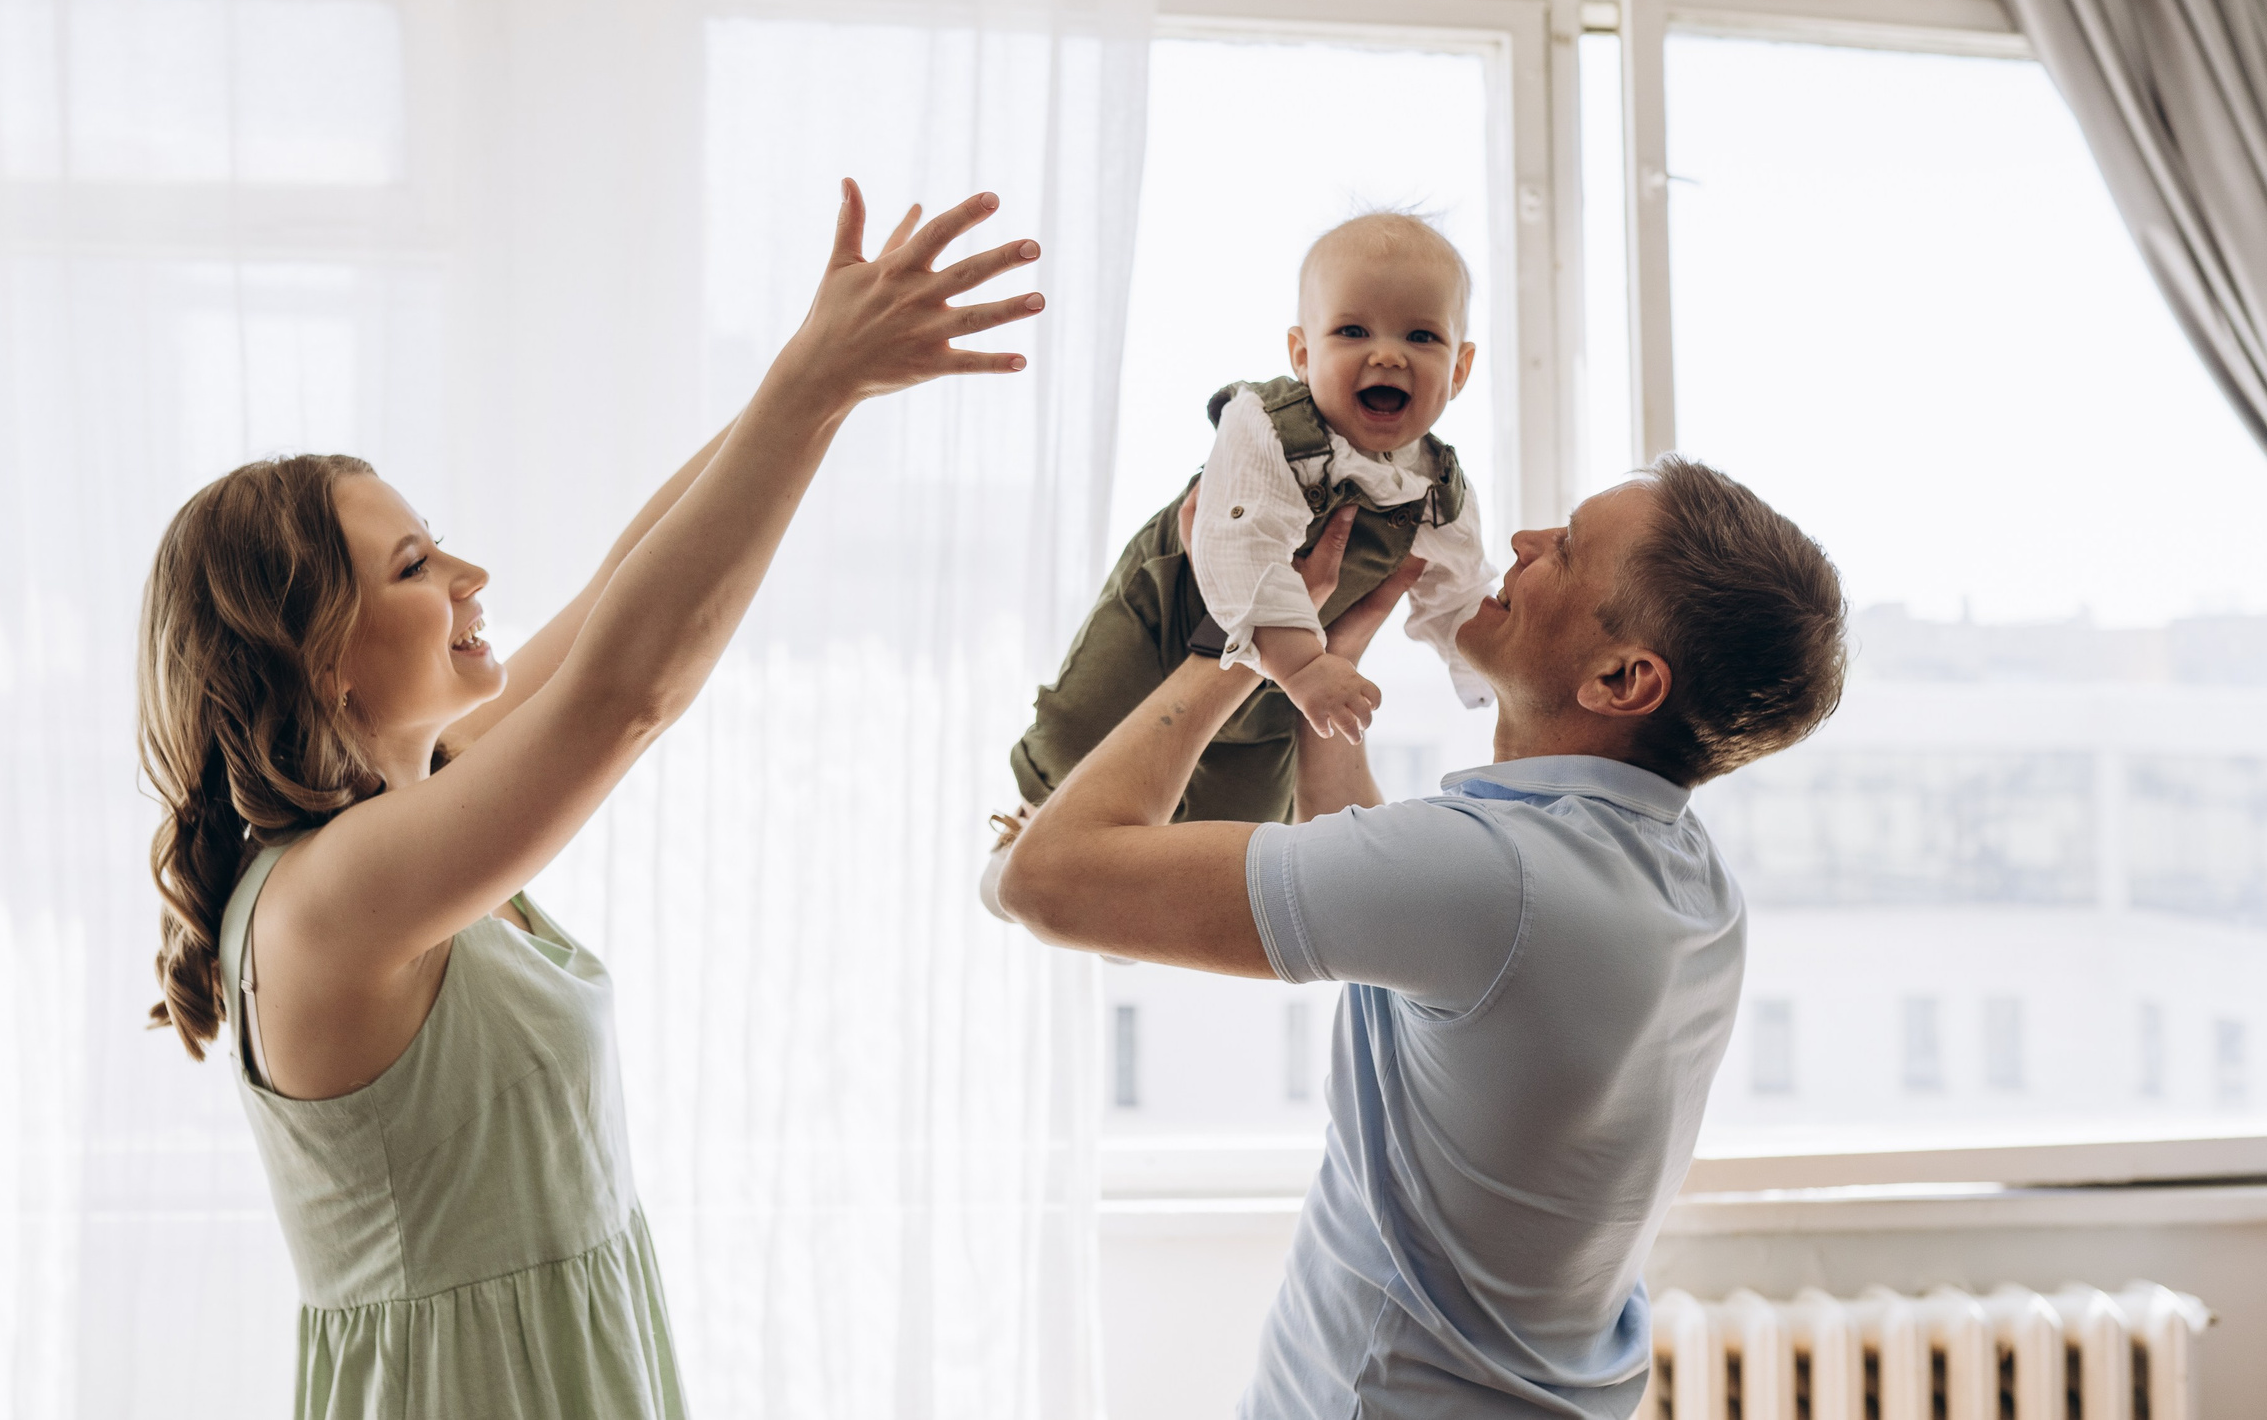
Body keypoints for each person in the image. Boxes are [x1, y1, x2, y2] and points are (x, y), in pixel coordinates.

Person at [138, 182, 1042, 1420]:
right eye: (414, 567)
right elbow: (628, 689)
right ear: (320, 657)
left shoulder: (417, 810)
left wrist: (815, 379)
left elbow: (624, 591)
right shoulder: (334, 897)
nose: (472, 575)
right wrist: (810, 390)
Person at [998, 457, 1847, 1417]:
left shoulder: (1500, 877)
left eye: (1564, 550)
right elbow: (1412, 921)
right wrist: (1323, 672)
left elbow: (1045, 879)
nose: (1523, 543)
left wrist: (1236, 629)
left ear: (1621, 678)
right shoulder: (1688, 883)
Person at [998, 213, 1498, 859]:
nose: (1387, 353)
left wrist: (1485, 677)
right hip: (1175, 621)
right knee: (1080, 746)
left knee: (1245, 825)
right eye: (1352, 330)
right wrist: (1307, 667)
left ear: (1459, 368)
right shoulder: (1266, 427)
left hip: (1286, 676)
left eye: (1421, 335)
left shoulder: (1439, 490)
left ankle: (1137, 892)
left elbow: (1459, 590)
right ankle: (1028, 828)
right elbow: (1247, 547)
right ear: (1302, 353)